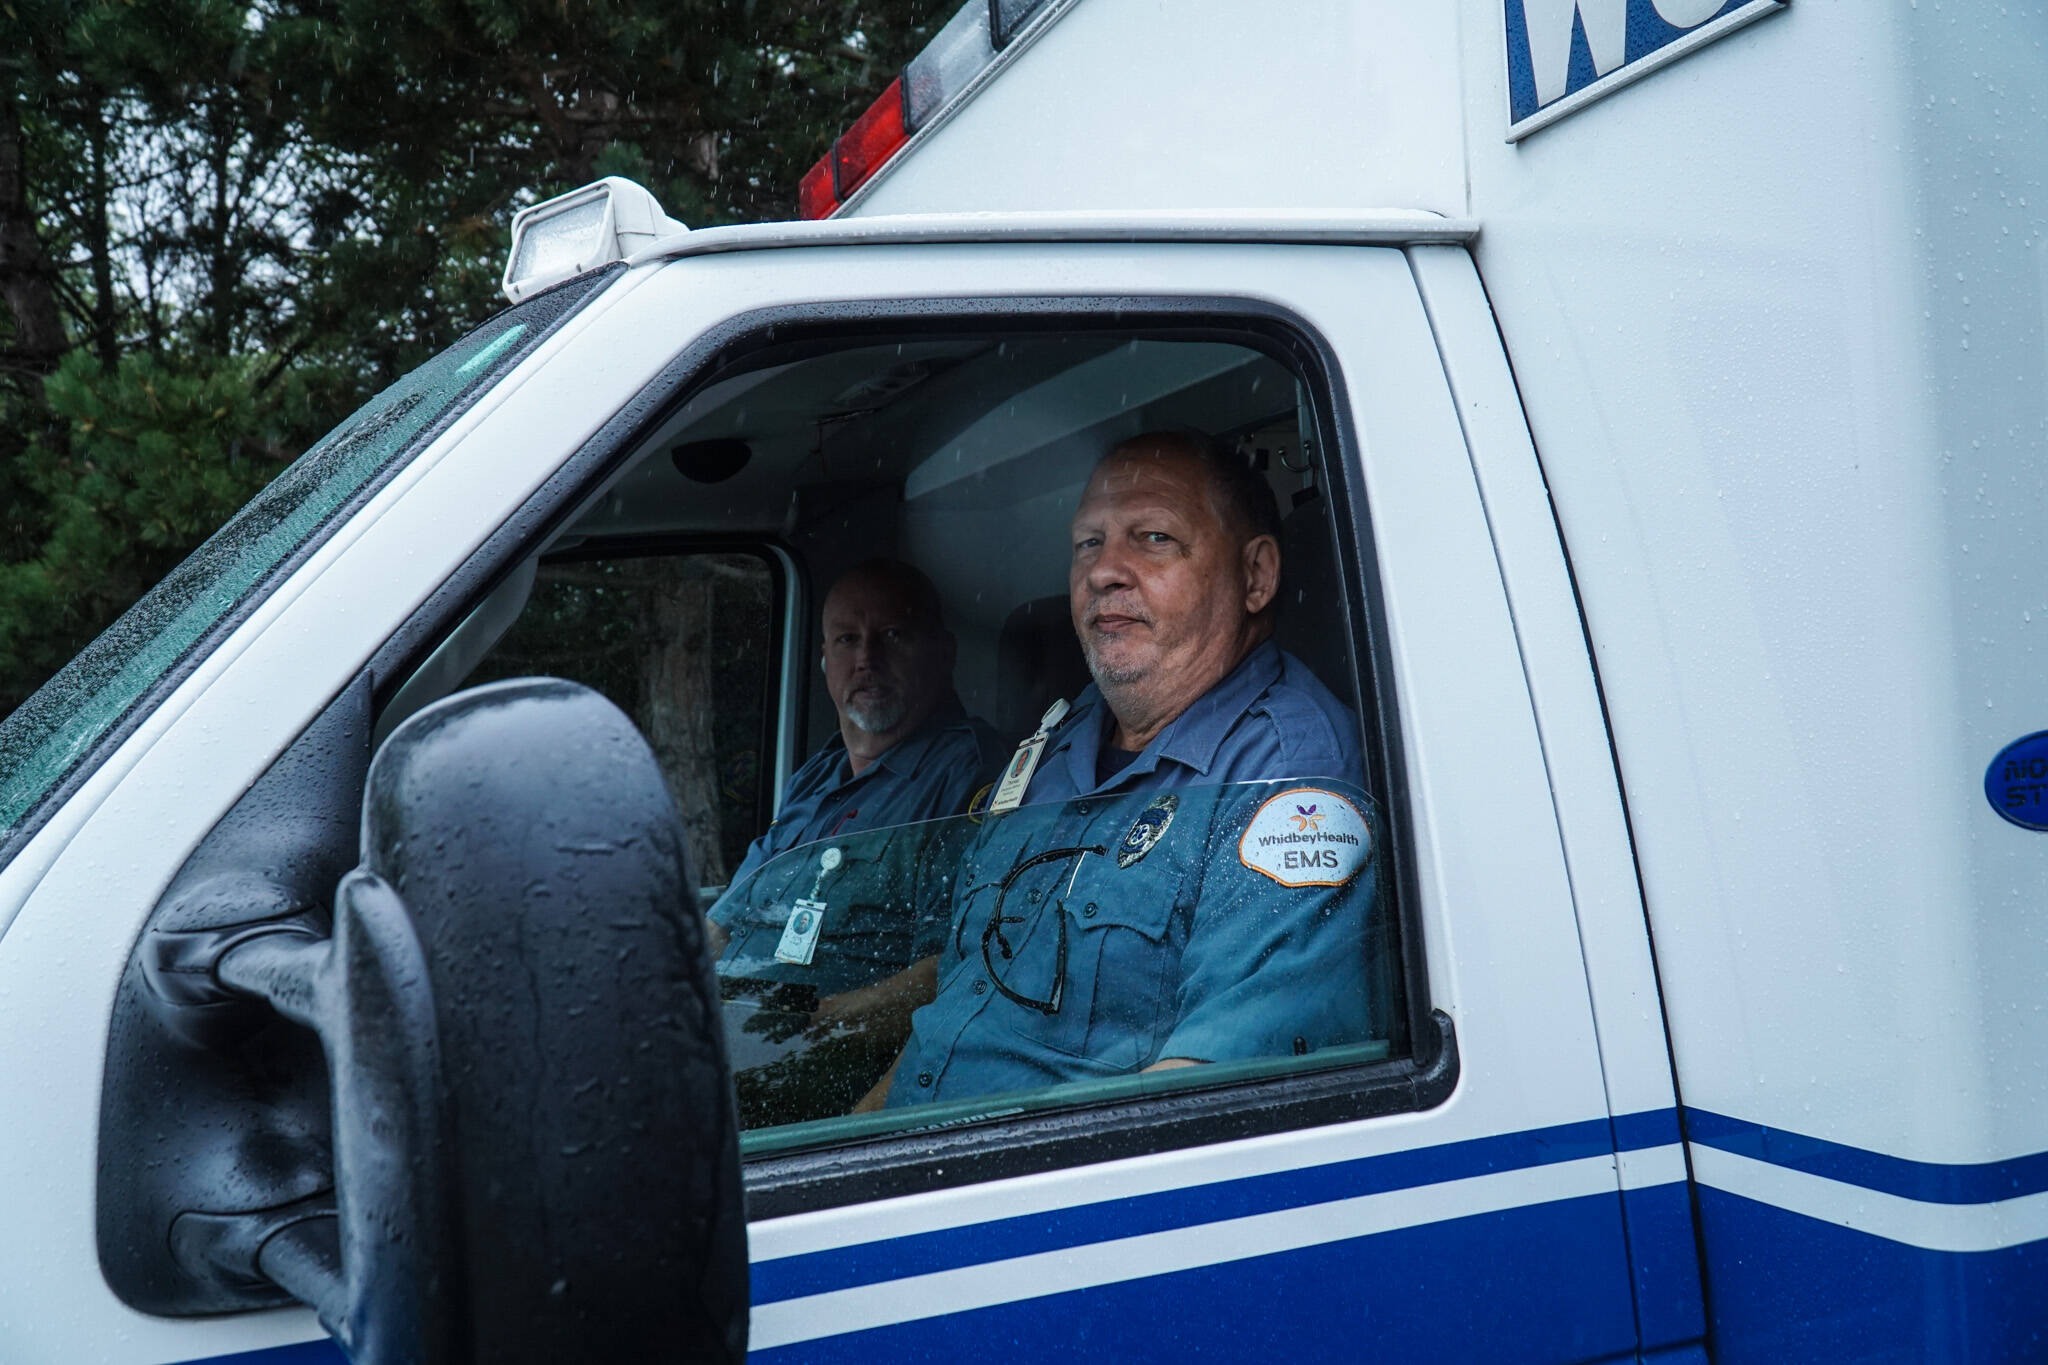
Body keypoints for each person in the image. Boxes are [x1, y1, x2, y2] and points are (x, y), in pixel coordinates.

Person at [862, 429, 1376, 1110]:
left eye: (1154, 538)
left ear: (1254, 576)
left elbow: (1208, 1101)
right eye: (1088, 543)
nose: (1104, 571)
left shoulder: (1287, 777)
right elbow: (962, 1004)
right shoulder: (1059, 740)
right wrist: (853, 1132)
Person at [707, 558, 999, 1119]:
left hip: (812, 1077)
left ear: (942, 653)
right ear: (824, 660)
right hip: (731, 1043)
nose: (866, 658)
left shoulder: (969, 777)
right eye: (847, 639)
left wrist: (813, 1025)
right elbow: (722, 925)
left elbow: (954, 971)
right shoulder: (815, 778)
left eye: (892, 635)